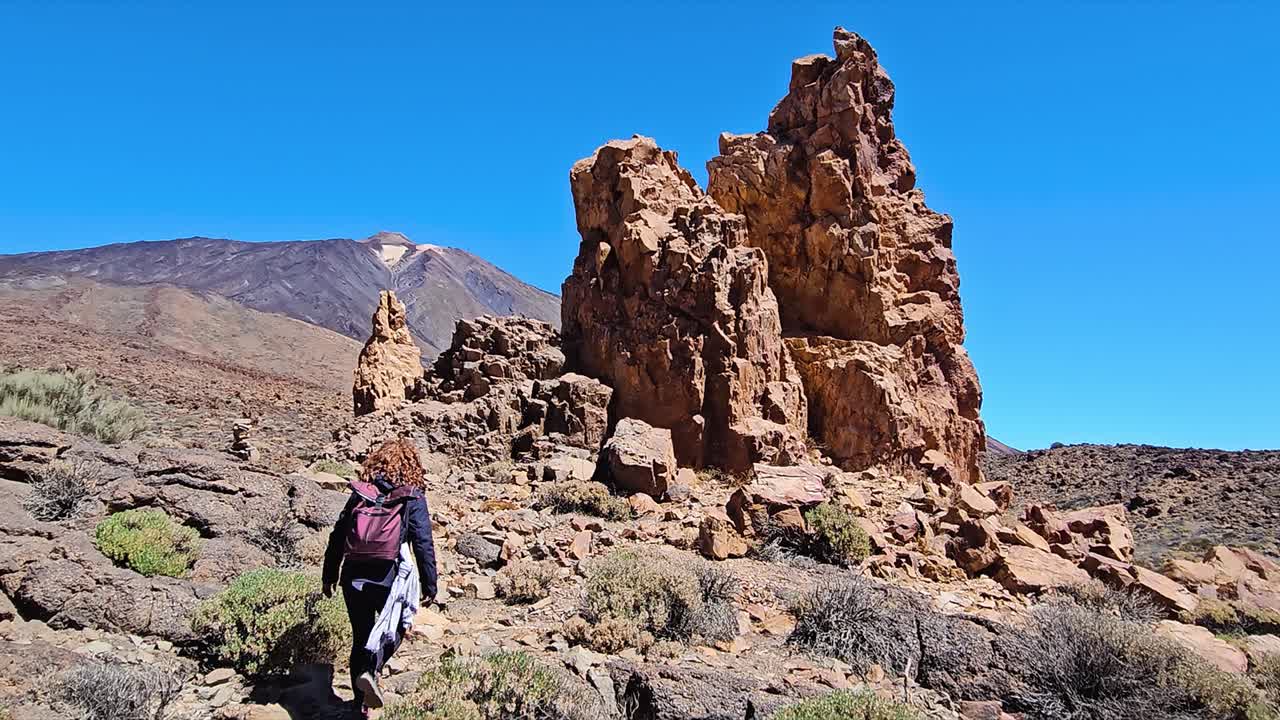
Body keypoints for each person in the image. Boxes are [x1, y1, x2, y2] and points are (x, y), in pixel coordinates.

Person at [322, 438, 438, 717]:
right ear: (412, 465)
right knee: (398, 627)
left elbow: (338, 535)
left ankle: (358, 705)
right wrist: (430, 583)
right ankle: (370, 671)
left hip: (352, 573)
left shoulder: (361, 493)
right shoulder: (412, 495)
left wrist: (329, 574)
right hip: (389, 574)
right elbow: (422, 542)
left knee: (360, 635)